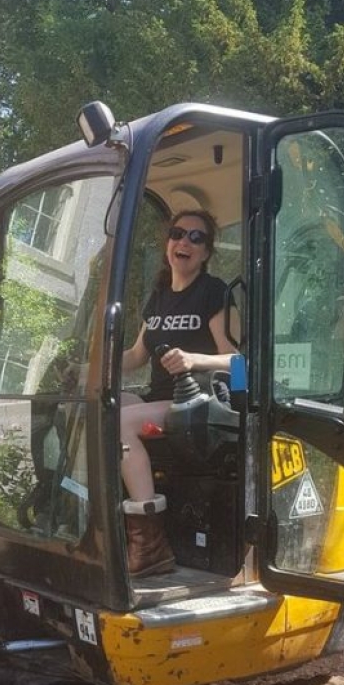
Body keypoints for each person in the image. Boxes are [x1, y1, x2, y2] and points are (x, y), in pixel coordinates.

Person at [120, 209, 239, 576]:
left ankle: (150, 544)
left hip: (194, 402)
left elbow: (239, 362)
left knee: (119, 421)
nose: (183, 241)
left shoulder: (213, 293)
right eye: (177, 233)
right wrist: (88, 366)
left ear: (206, 253)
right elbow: (137, 356)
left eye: (196, 237)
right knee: (97, 406)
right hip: (158, 399)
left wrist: (192, 360)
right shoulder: (157, 297)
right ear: (167, 243)